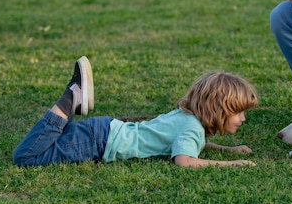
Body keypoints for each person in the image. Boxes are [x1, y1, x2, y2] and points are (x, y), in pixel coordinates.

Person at [13, 56, 258, 168]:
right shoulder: (191, 127)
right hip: (99, 143)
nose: (243, 118)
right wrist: (233, 162)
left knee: (46, 143)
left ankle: (72, 103)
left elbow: (192, 145)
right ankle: (71, 98)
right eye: (238, 112)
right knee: (25, 157)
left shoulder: (189, 119)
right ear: (219, 109)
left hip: (103, 131)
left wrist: (227, 149)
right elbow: (184, 161)